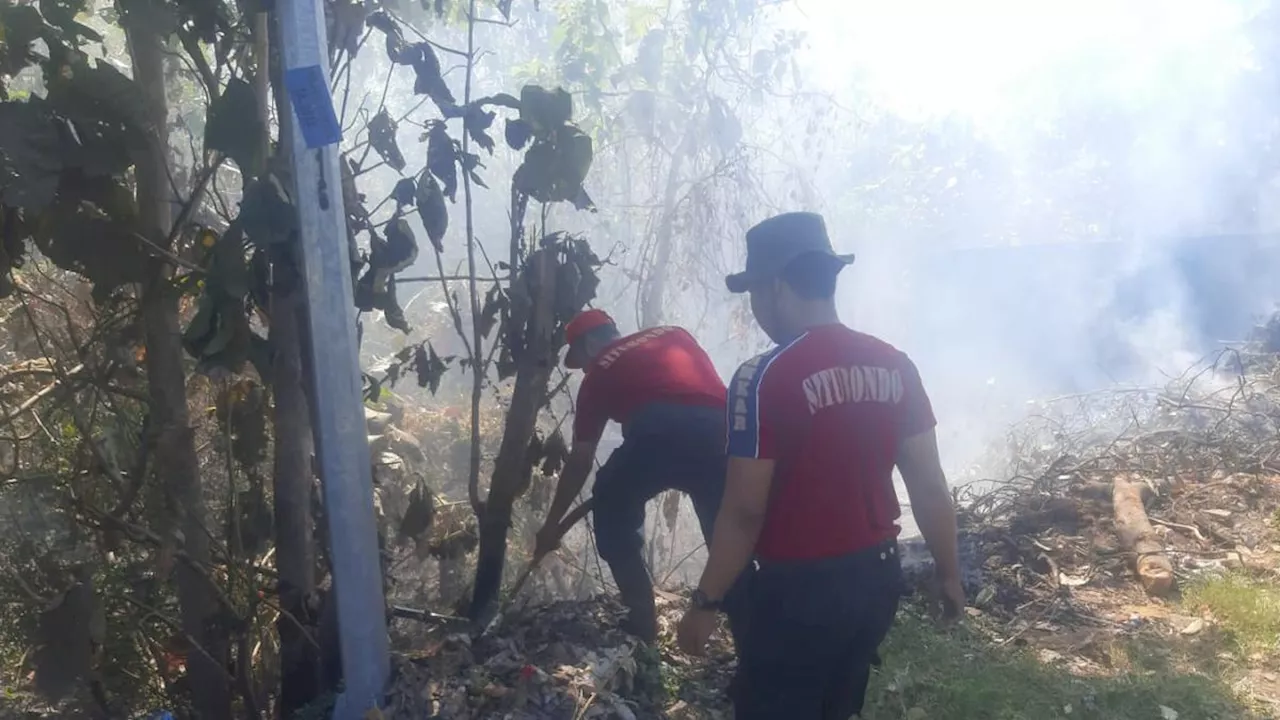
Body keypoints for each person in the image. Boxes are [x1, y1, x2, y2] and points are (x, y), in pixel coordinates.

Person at [676, 212, 964, 719]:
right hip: (875, 584)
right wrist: (949, 572)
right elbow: (929, 485)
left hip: (795, 595)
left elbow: (744, 512)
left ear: (777, 287)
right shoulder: (895, 364)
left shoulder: (760, 379)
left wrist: (705, 605)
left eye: (755, 293)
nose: (756, 308)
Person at [535, 309, 747, 643]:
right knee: (727, 538)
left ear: (591, 344)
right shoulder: (674, 333)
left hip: (658, 431)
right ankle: (753, 647)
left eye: (581, 360)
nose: (584, 369)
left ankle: (643, 623)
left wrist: (551, 525)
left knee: (612, 506)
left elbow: (580, 460)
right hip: (723, 433)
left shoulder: (598, 372)